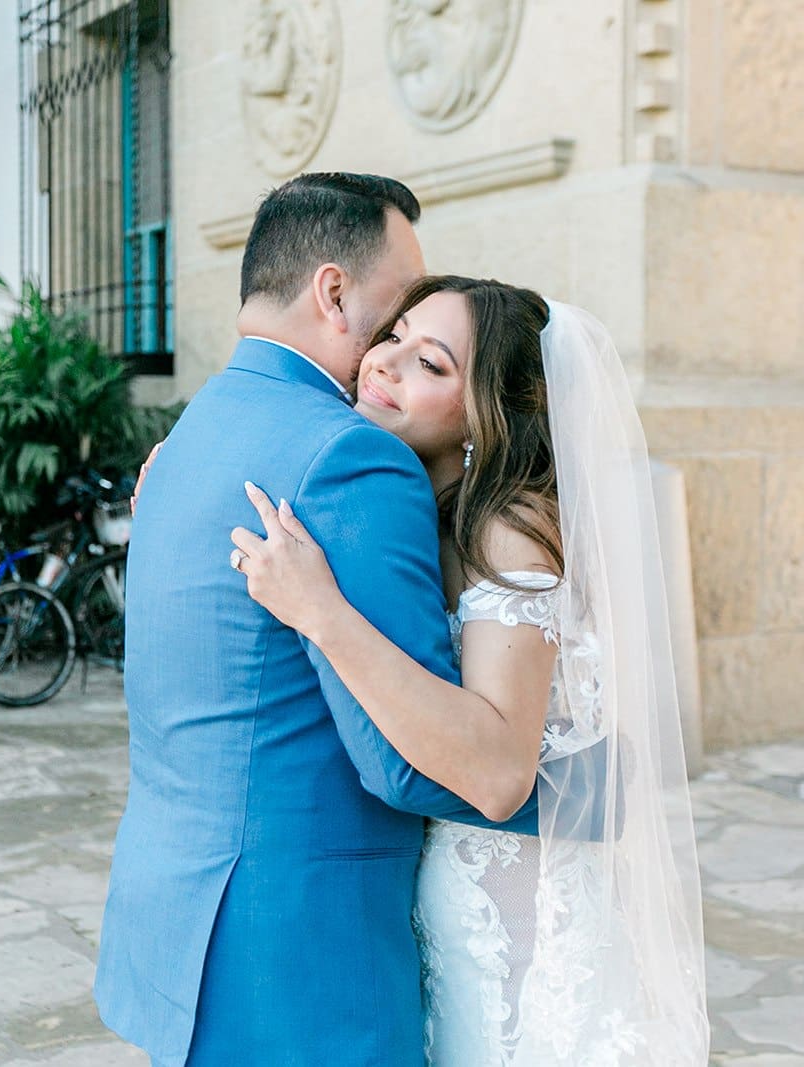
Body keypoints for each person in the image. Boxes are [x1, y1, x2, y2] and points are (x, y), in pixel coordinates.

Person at [95, 174, 539, 1067]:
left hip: (175, 921)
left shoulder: (184, 443)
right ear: (335, 292)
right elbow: (400, 763)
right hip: (300, 964)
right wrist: (576, 793)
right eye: (396, 307)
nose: (393, 340)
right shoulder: (352, 457)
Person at [231, 276, 709, 1063]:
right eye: (395, 336)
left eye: (433, 364)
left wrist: (319, 609)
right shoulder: (419, 504)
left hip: (524, 938)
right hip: (457, 910)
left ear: (483, 416)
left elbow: (496, 774)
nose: (385, 363)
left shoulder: (510, 530)